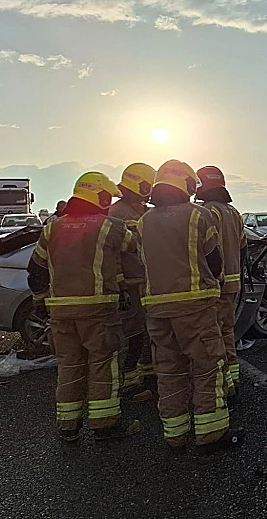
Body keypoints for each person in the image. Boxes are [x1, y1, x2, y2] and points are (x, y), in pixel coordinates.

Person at [138, 160, 241, 454]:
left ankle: (175, 434)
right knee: (207, 366)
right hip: (195, 306)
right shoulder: (198, 216)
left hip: (157, 308)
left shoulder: (145, 221)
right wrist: (214, 284)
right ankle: (210, 434)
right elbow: (214, 261)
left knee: (169, 371)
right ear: (185, 184)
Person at [27, 172, 138, 442]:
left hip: (61, 312)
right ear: (98, 196)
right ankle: (104, 424)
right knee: (103, 363)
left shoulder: (52, 227)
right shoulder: (109, 226)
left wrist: (43, 300)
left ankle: (68, 425)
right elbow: (135, 246)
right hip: (98, 308)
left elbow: (35, 269)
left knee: (69, 365)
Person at [195, 166, 247, 403]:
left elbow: (207, 251)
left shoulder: (207, 212)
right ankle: (233, 379)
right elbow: (243, 246)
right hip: (233, 283)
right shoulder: (234, 212)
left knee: (213, 336)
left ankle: (223, 384)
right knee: (227, 332)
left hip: (216, 283)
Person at [108, 163, 157, 394]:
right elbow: (113, 253)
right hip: (131, 284)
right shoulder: (117, 213)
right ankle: (127, 383)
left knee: (149, 332)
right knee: (133, 334)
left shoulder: (142, 211)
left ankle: (146, 378)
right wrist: (121, 285)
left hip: (146, 283)